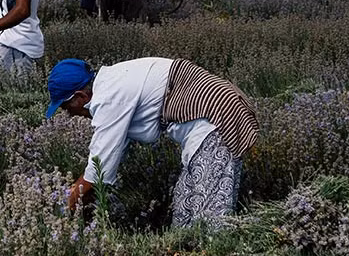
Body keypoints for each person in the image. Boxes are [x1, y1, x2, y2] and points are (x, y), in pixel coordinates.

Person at [45, 57, 259, 228]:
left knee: (210, 217)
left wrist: (69, 203)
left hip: (215, 118)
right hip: (209, 116)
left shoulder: (109, 98)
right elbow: (116, 150)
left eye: (66, 108)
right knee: (184, 211)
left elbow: (100, 163)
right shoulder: (113, 82)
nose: (70, 116)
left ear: (81, 96)